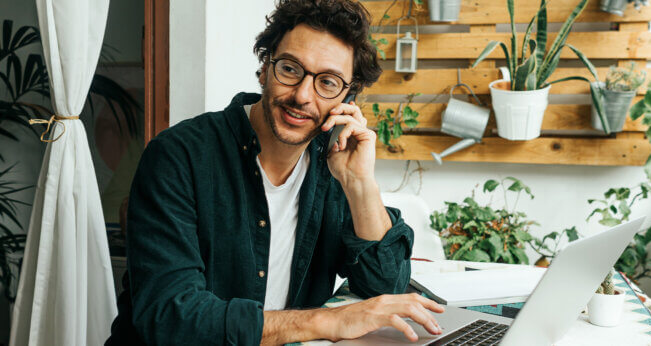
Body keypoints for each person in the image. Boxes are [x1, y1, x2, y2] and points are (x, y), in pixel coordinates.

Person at [105, 0, 444, 345]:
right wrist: (326, 321)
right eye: (290, 69)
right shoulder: (179, 156)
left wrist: (359, 185)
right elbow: (170, 316)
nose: (301, 95)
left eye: (327, 82)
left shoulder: (332, 166)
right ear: (265, 68)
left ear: (347, 97)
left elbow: (385, 288)